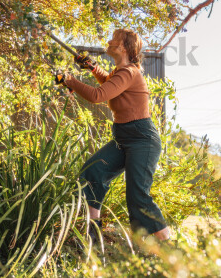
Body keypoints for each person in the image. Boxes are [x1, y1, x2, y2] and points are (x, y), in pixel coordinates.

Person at [62, 28, 170, 243]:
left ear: (124, 47)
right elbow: (109, 83)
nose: (109, 41)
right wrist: (93, 68)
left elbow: (97, 95)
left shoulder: (129, 72)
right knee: (93, 172)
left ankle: (168, 245)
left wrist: (70, 80)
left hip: (142, 140)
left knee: (138, 197)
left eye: (114, 39)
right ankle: (92, 233)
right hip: (123, 139)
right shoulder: (121, 73)